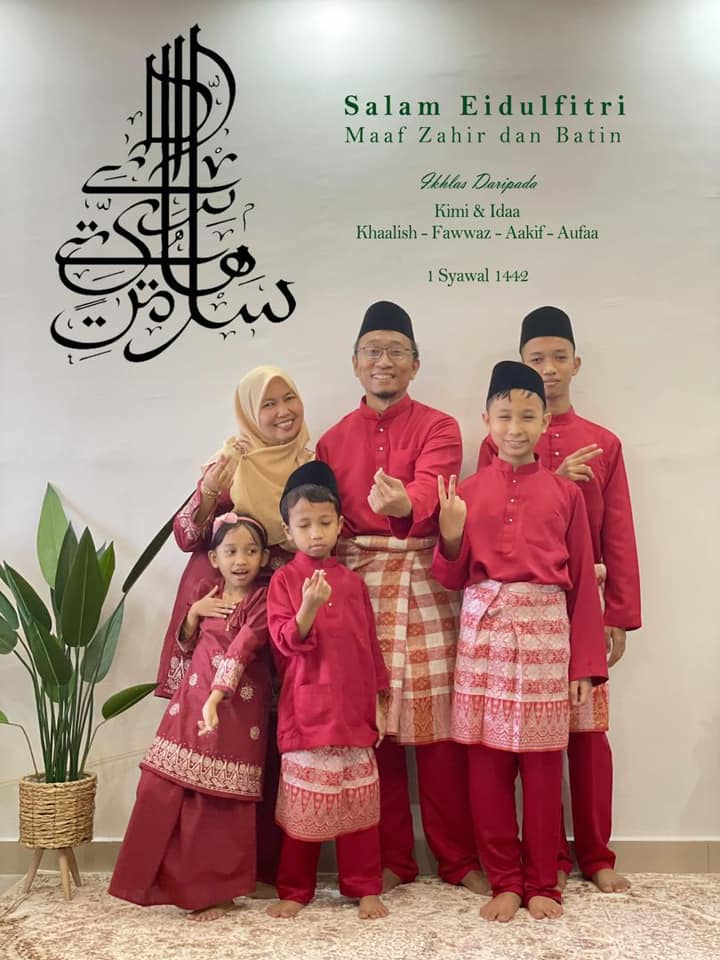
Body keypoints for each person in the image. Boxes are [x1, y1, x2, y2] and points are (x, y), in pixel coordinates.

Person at [315, 301, 484, 894]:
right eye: (372, 351)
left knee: (439, 732)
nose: (382, 361)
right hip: (357, 582)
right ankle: (393, 859)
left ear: (415, 364)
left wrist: (406, 504)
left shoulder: (440, 426)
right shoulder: (331, 440)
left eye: (395, 351)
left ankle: (457, 859)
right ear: (355, 363)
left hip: (426, 577)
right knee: (375, 731)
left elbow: (434, 488)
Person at [433, 361, 608, 922]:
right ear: (486, 419)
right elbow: (450, 578)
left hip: (545, 638)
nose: (515, 427)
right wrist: (451, 534)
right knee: (486, 767)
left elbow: (582, 583)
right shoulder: (463, 493)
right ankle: (505, 880)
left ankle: (543, 883)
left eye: (527, 416)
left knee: (541, 766)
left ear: (545, 421)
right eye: (504, 416)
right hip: (483, 634)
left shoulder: (566, 493)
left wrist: (584, 665)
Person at [477, 307, 641, 893]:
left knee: (587, 735)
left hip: (582, 605)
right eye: (535, 359)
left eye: (558, 357)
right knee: (521, 737)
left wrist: (618, 614)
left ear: (576, 363)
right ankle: (542, 859)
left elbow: (617, 532)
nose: (548, 368)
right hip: (514, 613)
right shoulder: (495, 441)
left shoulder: (603, 442)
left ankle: (595, 853)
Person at [155, 365, 312, 888]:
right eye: (267, 403)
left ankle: (265, 867)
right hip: (223, 616)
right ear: (248, 412)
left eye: (289, 398)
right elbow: (186, 534)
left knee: (275, 736)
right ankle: (200, 868)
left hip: (282, 612)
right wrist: (208, 490)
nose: (282, 412)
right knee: (214, 733)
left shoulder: (310, 465)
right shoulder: (232, 463)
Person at [110, 513, 271, 920]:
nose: (241, 560)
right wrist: (193, 614)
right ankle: (152, 882)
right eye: (231, 551)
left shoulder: (264, 600)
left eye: (251, 551)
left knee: (217, 803)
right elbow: (183, 648)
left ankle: (218, 892)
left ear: (264, 557)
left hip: (238, 709)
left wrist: (217, 698)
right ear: (214, 558)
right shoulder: (204, 592)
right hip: (190, 701)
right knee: (159, 785)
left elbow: (243, 649)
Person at [265, 461, 390, 920]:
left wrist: (381, 701)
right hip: (306, 713)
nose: (315, 533)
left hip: (355, 712)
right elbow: (284, 641)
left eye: (324, 523)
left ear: (339, 525)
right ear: (288, 531)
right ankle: (294, 889)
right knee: (304, 806)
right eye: (304, 525)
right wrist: (309, 608)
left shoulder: (353, 583)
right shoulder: (283, 580)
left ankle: (365, 885)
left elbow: (370, 646)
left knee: (359, 805)